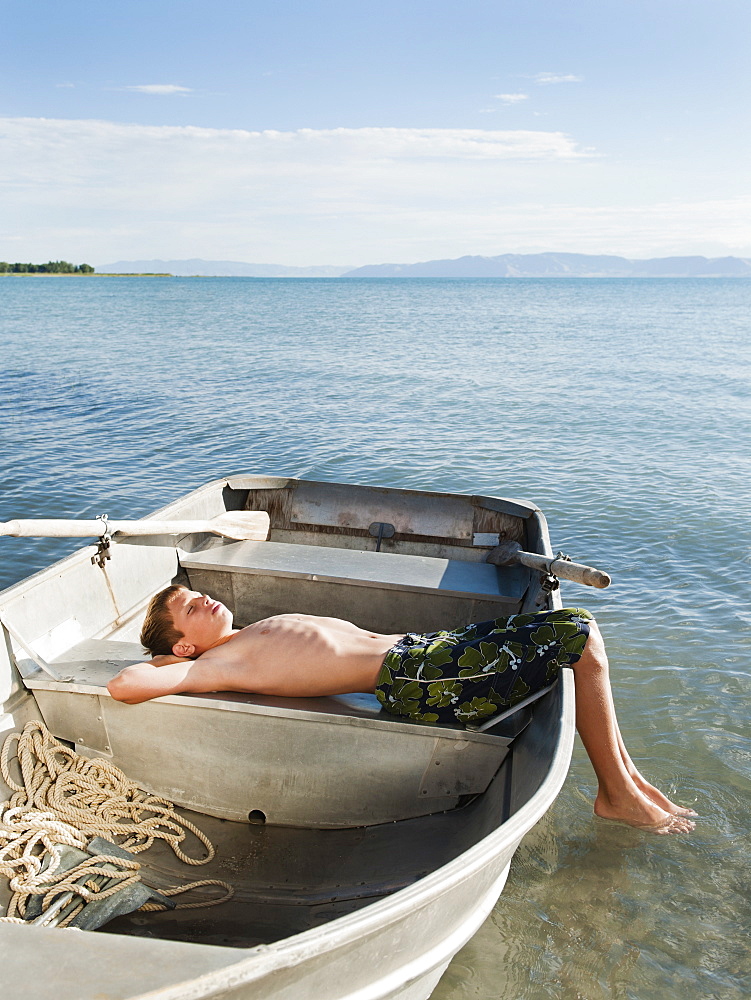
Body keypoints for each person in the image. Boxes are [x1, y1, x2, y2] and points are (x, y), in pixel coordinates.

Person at [108, 585, 697, 835]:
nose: (202, 597)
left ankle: (631, 785)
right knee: (577, 636)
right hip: (416, 680)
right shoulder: (213, 666)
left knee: (580, 633)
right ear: (183, 644)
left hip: (422, 655)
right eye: (188, 607)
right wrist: (167, 669)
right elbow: (123, 687)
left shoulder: (246, 636)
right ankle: (616, 796)